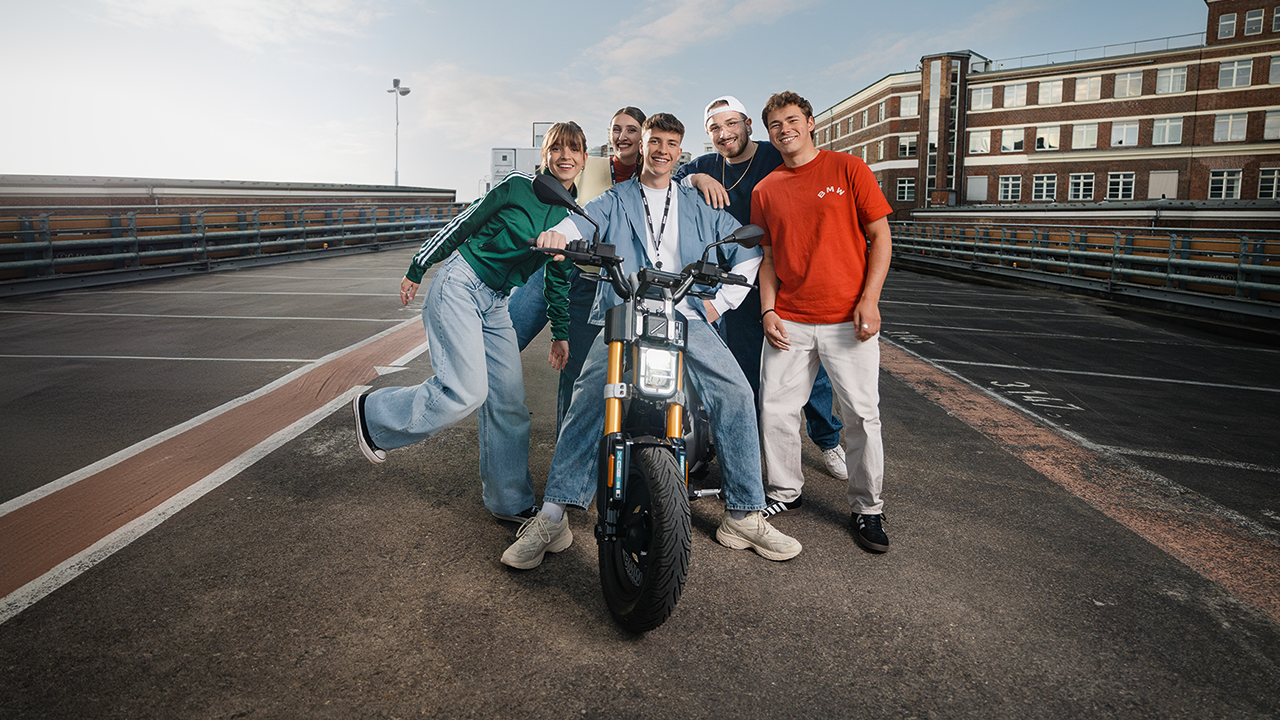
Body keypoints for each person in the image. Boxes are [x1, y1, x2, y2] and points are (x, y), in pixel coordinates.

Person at [500, 112, 802, 570]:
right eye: (655, 141)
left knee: (737, 392)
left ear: (680, 152)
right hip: (624, 312)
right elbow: (575, 227)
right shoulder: (613, 200)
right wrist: (556, 237)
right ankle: (553, 515)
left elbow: (749, 254)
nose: (662, 150)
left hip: (685, 314)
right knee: (587, 396)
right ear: (642, 146)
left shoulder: (697, 204)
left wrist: (718, 303)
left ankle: (744, 512)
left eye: (672, 144)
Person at [351, 122, 584, 525]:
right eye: (557, 148)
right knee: (466, 391)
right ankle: (374, 413)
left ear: (583, 158)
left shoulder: (572, 215)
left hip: (495, 304)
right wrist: (418, 265)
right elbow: (466, 223)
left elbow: (558, 279)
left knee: (510, 404)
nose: (566, 156)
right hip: (461, 284)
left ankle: (509, 501)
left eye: (574, 149)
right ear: (544, 154)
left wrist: (560, 335)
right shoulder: (516, 186)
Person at [673, 96, 849, 497]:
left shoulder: (773, 155)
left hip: (777, 275)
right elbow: (675, 178)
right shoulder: (704, 165)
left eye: (732, 124)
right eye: (716, 128)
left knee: (809, 372)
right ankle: (741, 448)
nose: (725, 134)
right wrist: (697, 179)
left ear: (749, 123)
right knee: (743, 371)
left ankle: (827, 440)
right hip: (732, 282)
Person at [751, 91, 894, 553]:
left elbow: (880, 237)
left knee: (862, 416)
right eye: (775, 125)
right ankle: (783, 492)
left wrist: (869, 301)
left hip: (845, 320)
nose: (784, 130)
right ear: (769, 133)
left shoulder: (848, 169)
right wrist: (768, 310)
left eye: (792, 120)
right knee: (775, 410)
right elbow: (768, 257)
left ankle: (867, 507)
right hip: (790, 319)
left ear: (810, 123)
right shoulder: (765, 189)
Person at [507, 107, 647, 428]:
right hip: (559, 270)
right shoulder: (590, 165)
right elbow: (551, 180)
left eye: (631, 130)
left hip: (605, 286)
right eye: (616, 130)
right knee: (499, 344)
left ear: (644, 136)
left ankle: (580, 455)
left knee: (584, 376)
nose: (622, 137)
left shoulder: (652, 177)